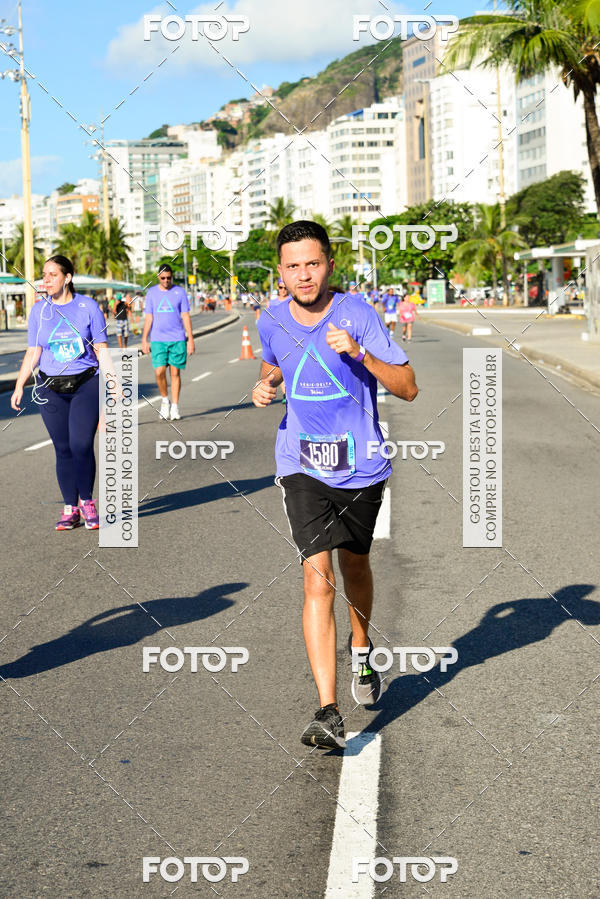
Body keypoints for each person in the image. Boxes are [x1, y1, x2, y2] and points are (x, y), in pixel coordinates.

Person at [252, 221, 418, 750]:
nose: (304, 274)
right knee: (317, 580)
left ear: (330, 264)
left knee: (355, 567)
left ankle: (363, 645)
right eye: (293, 265)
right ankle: (327, 710)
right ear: (280, 272)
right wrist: (267, 385)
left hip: (361, 465)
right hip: (301, 463)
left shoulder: (359, 315)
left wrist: (359, 355)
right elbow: (273, 364)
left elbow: (408, 388)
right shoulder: (272, 318)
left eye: (313, 263)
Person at [10, 255, 108, 530]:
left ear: (68, 277)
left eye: (53, 274)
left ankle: (87, 503)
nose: (46, 279)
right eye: (44, 274)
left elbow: (101, 350)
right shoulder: (39, 311)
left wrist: (113, 388)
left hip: (85, 384)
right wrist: (20, 385)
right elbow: (34, 351)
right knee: (63, 449)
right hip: (49, 387)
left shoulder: (87, 307)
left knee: (80, 445)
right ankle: (70, 509)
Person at [141, 264, 195, 421]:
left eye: (169, 278)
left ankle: (175, 406)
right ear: (158, 277)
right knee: (159, 372)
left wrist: (190, 339)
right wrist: (144, 339)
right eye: (163, 278)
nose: (166, 280)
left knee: (175, 373)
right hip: (158, 339)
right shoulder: (151, 293)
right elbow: (149, 317)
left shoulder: (179, 292)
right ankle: (165, 400)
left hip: (177, 338)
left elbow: (185, 315)